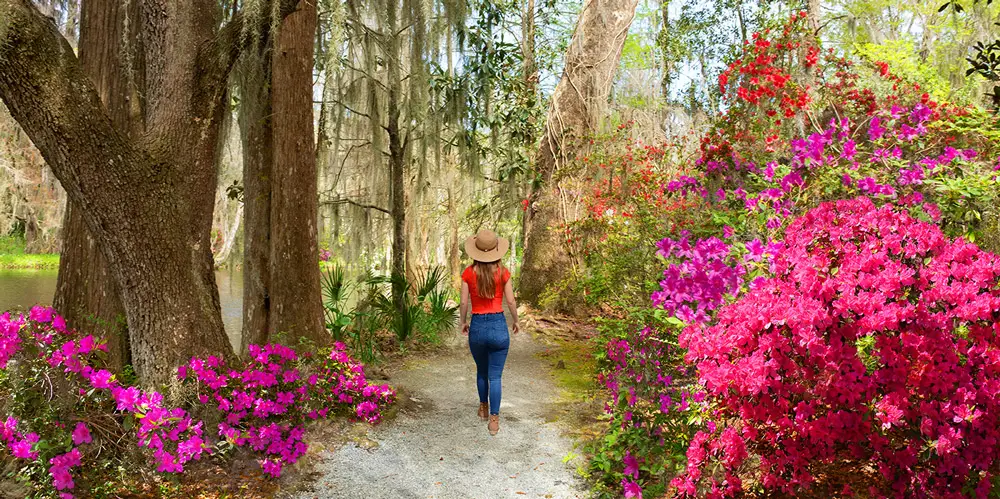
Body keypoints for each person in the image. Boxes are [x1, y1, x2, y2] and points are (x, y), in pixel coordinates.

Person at [459, 229, 519, 436]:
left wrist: (463, 322)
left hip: (477, 326)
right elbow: (510, 301)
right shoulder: (503, 272)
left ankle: (483, 408)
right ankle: (494, 420)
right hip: (498, 326)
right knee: (496, 376)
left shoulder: (468, 273)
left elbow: (464, 302)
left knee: (481, 371)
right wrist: (517, 321)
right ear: (496, 250)